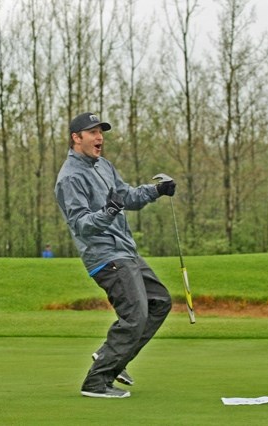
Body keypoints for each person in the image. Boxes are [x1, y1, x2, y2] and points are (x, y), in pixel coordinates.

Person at [54, 112, 175, 399]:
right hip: (105, 256)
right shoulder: (69, 178)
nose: (100, 138)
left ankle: (113, 358)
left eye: (101, 132)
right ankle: (96, 382)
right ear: (76, 138)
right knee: (135, 314)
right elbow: (81, 225)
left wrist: (156, 190)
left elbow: (127, 196)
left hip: (125, 250)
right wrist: (108, 211)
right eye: (92, 132)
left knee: (159, 302)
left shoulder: (103, 166)